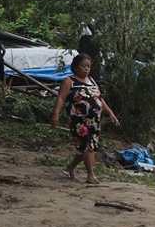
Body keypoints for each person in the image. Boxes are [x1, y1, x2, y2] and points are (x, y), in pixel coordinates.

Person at [50, 53, 119, 184]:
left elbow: (99, 99)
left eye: (88, 67)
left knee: (89, 146)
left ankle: (70, 167)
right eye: (83, 66)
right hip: (78, 119)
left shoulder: (92, 81)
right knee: (88, 145)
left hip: (94, 120)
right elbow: (61, 98)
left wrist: (110, 113)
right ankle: (91, 175)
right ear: (75, 67)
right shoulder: (69, 81)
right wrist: (56, 114)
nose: (86, 69)